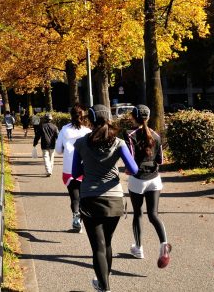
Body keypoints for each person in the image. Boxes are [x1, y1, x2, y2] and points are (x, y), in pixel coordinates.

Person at [72, 105, 138, 292]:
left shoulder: (82, 142)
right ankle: (103, 282)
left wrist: (89, 168)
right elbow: (133, 169)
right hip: (114, 199)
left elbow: (75, 172)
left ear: (90, 120)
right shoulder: (118, 143)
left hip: (90, 199)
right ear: (109, 118)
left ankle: (104, 286)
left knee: (98, 247)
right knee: (107, 243)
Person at [125, 104, 172, 268]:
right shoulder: (156, 135)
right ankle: (164, 244)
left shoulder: (130, 134)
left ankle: (138, 249)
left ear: (133, 117)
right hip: (154, 179)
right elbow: (160, 160)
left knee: (138, 213)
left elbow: (130, 160)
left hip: (137, 180)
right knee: (154, 215)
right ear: (148, 117)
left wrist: (128, 170)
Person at [55, 103, 92, 232]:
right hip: (85, 167)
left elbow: (58, 150)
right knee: (84, 195)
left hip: (69, 168)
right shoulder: (88, 131)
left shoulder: (64, 130)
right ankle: (84, 218)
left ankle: (76, 217)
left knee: (74, 196)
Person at [33, 112, 59, 177]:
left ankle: (48, 170)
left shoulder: (41, 126)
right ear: (51, 119)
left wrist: (35, 143)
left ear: (44, 119)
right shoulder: (54, 127)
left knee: (45, 157)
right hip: (52, 145)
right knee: (51, 158)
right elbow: (58, 136)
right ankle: (50, 170)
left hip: (44, 144)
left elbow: (37, 136)